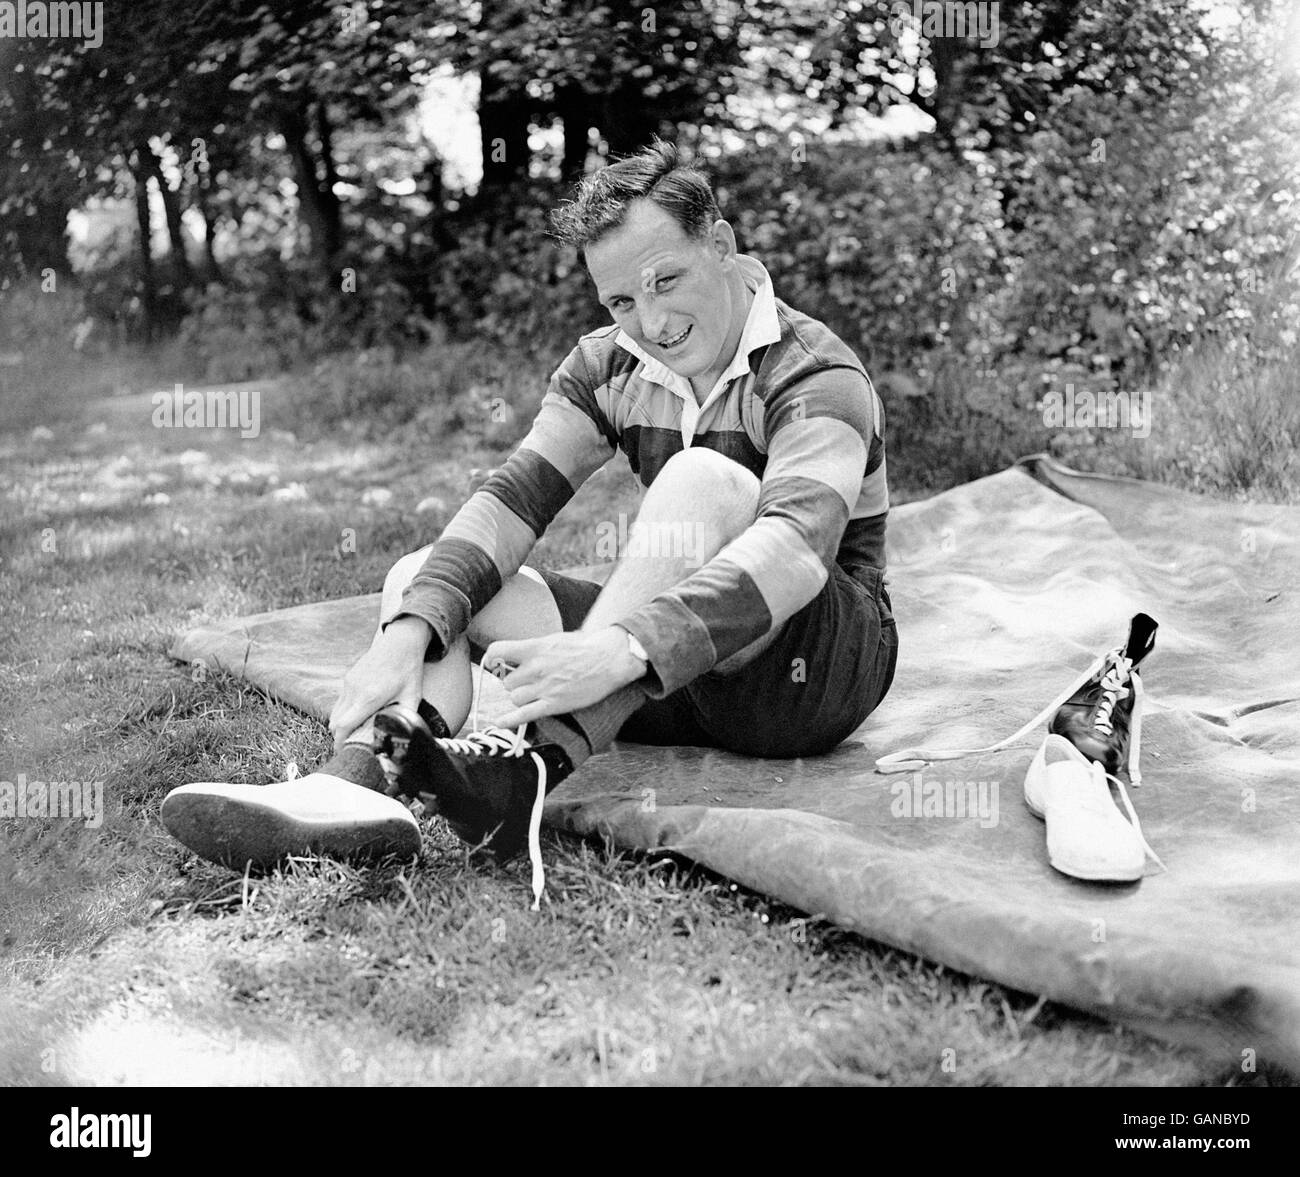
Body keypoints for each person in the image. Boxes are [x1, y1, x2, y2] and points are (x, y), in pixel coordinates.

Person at [161, 141, 898, 892]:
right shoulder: (606, 365)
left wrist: (619, 645)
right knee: (423, 579)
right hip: (675, 675)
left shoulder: (815, 371)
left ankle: (531, 766)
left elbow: (800, 548)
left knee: (704, 478)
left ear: (721, 243)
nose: (650, 321)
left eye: (665, 280)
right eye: (620, 302)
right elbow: (512, 500)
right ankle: (352, 790)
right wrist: (407, 630)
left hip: (811, 673)